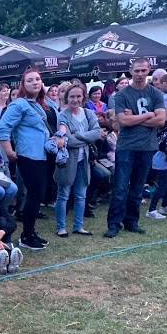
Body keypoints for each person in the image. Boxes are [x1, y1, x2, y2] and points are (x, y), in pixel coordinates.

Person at [0, 68, 62, 250]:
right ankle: (26, 235)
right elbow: (3, 128)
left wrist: (61, 136)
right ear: (23, 85)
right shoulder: (19, 105)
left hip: (48, 154)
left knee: (40, 193)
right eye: (30, 80)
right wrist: (10, 152)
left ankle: (31, 232)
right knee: (34, 195)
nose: (35, 82)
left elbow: (58, 122)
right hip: (29, 155)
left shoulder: (47, 103)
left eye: (38, 79)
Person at [104, 58, 165, 238]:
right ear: (130, 71)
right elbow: (122, 120)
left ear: (149, 71)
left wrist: (136, 118)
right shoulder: (122, 95)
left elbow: (161, 120)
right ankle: (114, 224)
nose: (140, 74)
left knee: (138, 187)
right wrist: (149, 115)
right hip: (126, 146)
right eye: (136, 71)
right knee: (121, 186)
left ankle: (132, 221)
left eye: (143, 71)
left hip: (147, 147)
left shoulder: (155, 93)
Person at [56, 84, 102, 237]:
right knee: (63, 194)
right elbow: (68, 140)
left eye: (78, 96)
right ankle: (61, 227)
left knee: (81, 195)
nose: (75, 99)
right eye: (72, 97)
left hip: (84, 161)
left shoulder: (89, 113)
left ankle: (78, 226)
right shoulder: (62, 115)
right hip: (67, 162)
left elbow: (97, 133)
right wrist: (86, 138)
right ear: (66, 98)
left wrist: (79, 135)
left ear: (83, 97)